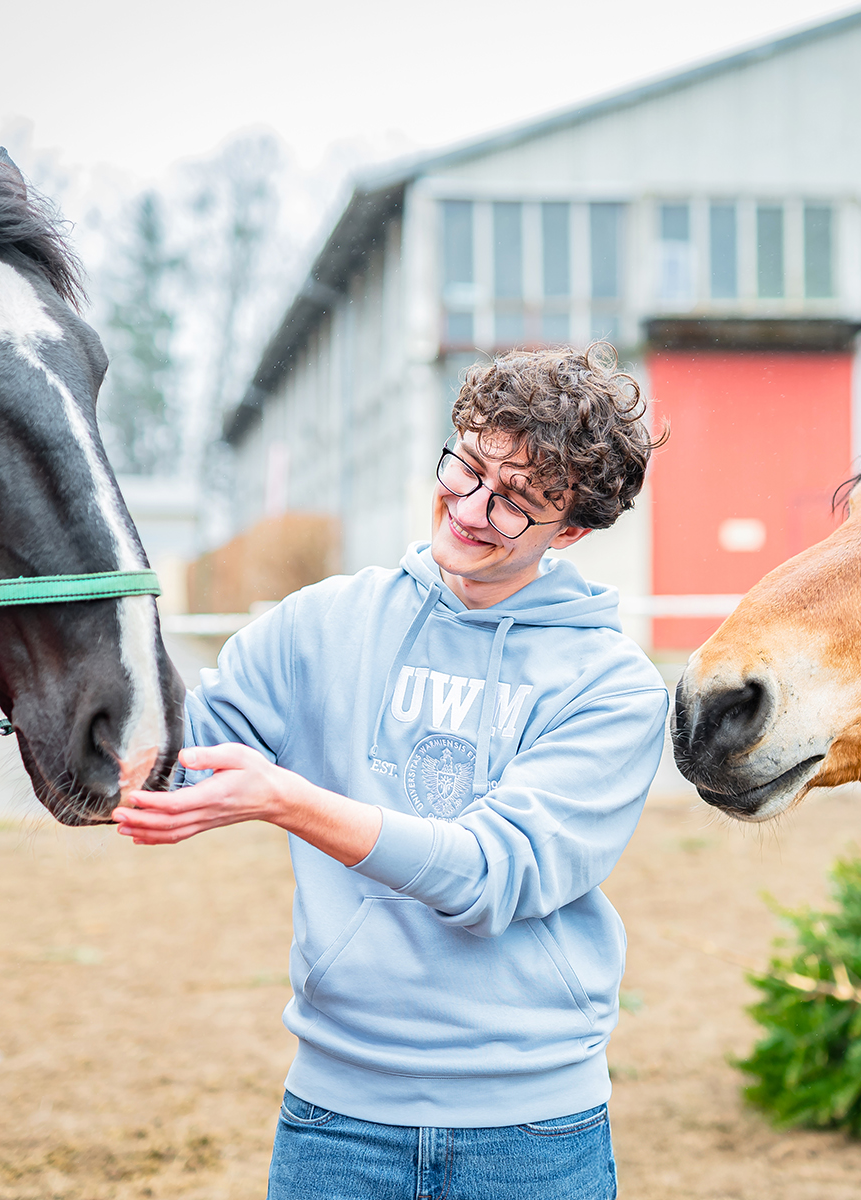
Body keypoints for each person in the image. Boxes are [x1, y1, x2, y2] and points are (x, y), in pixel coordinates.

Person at [120, 344, 669, 1198]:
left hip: (529, 1134)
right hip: (336, 1119)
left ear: (573, 530)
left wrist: (290, 801)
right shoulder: (325, 622)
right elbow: (173, 755)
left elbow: (493, 872)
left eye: (518, 501)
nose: (474, 507)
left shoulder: (610, 686)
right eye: (469, 468)